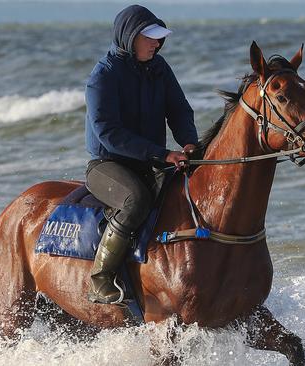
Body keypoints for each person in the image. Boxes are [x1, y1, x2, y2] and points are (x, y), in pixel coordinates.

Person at [84, 4, 198, 304]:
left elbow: (179, 109)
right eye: (149, 37)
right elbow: (108, 133)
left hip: (151, 161)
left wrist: (189, 143)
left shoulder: (160, 68)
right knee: (136, 199)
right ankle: (100, 279)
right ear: (129, 37)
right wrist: (162, 154)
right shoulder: (103, 76)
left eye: (159, 38)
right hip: (108, 165)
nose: (156, 43)